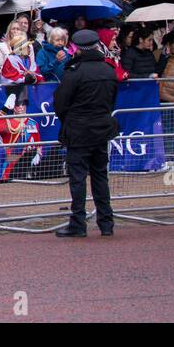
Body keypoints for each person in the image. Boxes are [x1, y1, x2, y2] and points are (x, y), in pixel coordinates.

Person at [53, 29, 120, 237]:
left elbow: (60, 103)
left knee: (78, 178)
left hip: (79, 130)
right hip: (100, 129)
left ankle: (78, 224)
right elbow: (111, 100)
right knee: (100, 176)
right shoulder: (108, 71)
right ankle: (106, 223)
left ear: (78, 49)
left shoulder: (75, 72)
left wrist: (70, 119)